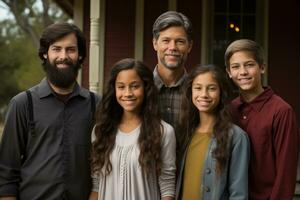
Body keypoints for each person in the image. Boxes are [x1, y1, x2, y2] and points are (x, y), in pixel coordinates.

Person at [0, 22, 99, 200]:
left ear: (80, 55)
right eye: (56, 49)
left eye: (70, 49)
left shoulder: (95, 104)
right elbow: (7, 173)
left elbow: (102, 166)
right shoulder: (22, 104)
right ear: (45, 54)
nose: (63, 56)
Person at [89, 58, 176, 200]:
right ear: (114, 89)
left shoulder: (163, 132)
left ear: (146, 88)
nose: (128, 93)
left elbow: (167, 186)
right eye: (121, 87)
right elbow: (96, 184)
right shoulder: (101, 131)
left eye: (135, 86)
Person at [225, 39, 299, 199]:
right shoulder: (229, 111)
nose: (243, 72)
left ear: (262, 67)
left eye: (249, 65)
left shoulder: (281, 111)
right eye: (235, 67)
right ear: (229, 72)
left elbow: (286, 171)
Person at [176, 64, 250, 199]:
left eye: (212, 88)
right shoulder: (185, 132)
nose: (204, 94)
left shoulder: (236, 137)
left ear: (221, 92)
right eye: (198, 88)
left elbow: (239, 194)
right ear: (191, 92)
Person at [152, 11, 193, 137]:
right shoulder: (141, 89)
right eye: (166, 40)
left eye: (180, 41)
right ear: (155, 44)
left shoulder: (197, 92)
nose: (172, 47)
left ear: (189, 46)